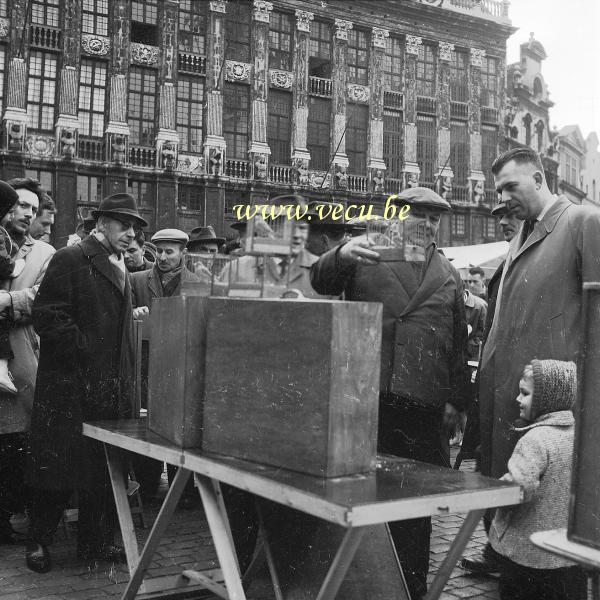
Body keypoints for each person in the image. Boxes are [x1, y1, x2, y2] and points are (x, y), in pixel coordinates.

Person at [311, 187, 468, 600]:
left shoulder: (448, 272)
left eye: (435, 218)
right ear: (398, 216)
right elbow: (320, 280)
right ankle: (360, 585)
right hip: (372, 401)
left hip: (425, 409)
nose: (428, 225)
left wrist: (456, 400)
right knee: (365, 497)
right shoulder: (367, 253)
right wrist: (340, 255)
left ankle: (412, 587)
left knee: (417, 508)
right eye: (419, 215)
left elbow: (457, 341)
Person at [25, 193, 146, 572]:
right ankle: (39, 542)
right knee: (56, 470)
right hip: (69, 386)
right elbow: (47, 317)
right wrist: (88, 353)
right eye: (123, 226)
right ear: (101, 223)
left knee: (99, 472)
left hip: (106, 389)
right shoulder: (71, 258)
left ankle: (93, 545)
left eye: (135, 229)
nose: (130, 235)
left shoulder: (120, 265)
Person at [480, 146, 600, 484]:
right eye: (499, 190)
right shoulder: (518, 237)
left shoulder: (581, 221)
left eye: (511, 187)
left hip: (551, 414)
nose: (504, 197)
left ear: (538, 178)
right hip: (508, 404)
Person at [490, 359, 587, 600]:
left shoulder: (535, 439)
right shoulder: (580, 437)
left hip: (527, 558)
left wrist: (496, 488)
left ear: (546, 399)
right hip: (567, 558)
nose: (517, 399)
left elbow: (518, 489)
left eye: (524, 393)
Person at [0, 178, 55, 545]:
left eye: (34, 209)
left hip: (22, 354)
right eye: (21, 205)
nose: (27, 213)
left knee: (16, 440)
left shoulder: (44, 254)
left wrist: (5, 304)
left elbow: (43, 298)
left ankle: (7, 517)